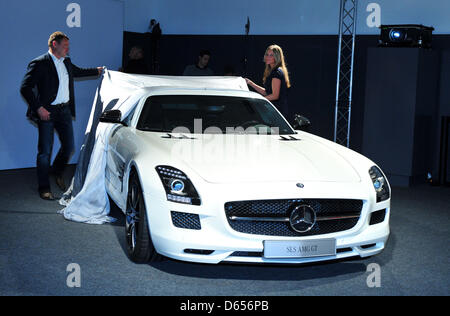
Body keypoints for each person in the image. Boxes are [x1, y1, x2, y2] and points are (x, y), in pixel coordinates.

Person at [20, 31, 103, 200]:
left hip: (64, 111)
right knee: (45, 152)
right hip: (47, 112)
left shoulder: (67, 62)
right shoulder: (39, 63)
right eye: (65, 46)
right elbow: (25, 87)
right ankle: (44, 188)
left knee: (69, 147)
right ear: (54, 45)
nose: (68, 49)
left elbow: (78, 72)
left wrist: (97, 71)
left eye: (68, 46)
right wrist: (39, 108)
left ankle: (56, 172)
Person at [245, 44, 291, 118]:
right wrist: (250, 83)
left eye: (271, 55)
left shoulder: (277, 72)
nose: (267, 57)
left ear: (277, 57)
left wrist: (258, 100)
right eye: (267, 54)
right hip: (273, 110)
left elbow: (275, 95)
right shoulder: (272, 71)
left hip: (277, 111)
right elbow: (267, 92)